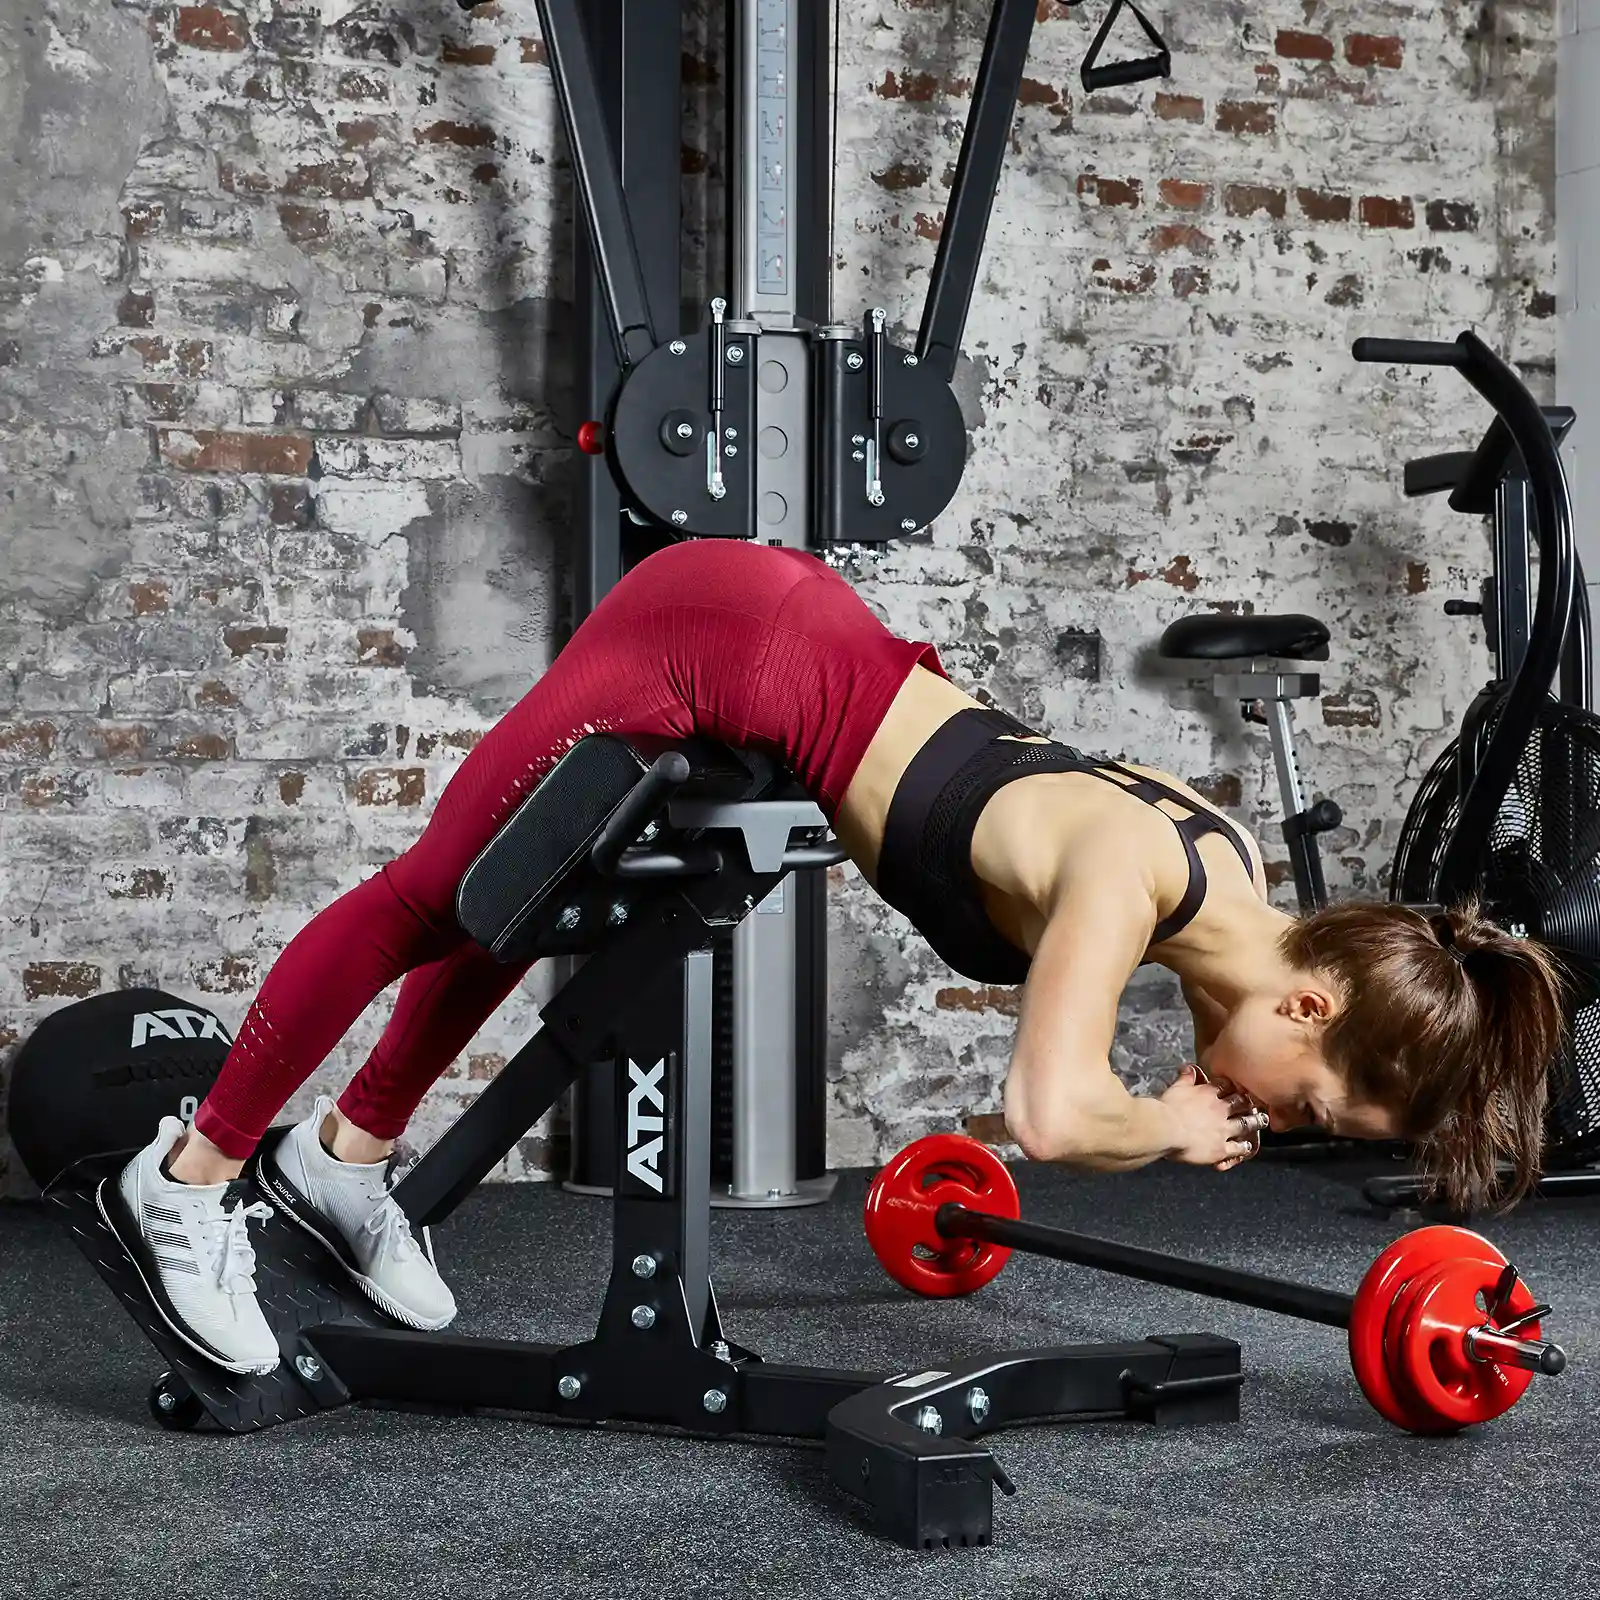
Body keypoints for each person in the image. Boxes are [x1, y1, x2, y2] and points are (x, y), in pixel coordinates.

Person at [103, 537, 1568, 1377]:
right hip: (718, 632)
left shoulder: (1234, 879)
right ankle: (187, 1181)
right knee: (441, 895)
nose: (1269, 1121)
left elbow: (1078, 1075)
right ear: (1310, 998)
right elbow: (1050, 1116)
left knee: (521, 901)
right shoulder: (1141, 880)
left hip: (818, 656)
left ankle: (346, 1162)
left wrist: (1194, 1096)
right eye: (1305, 1106)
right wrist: (1168, 1127)